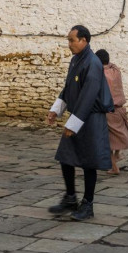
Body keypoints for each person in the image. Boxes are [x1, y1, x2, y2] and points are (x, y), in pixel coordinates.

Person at [46, 25, 113, 222]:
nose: (69, 45)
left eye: (71, 40)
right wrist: (56, 109)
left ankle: (88, 204)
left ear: (84, 40)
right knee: (66, 156)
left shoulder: (92, 63)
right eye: (68, 40)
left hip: (90, 118)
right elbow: (69, 88)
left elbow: (88, 96)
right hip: (78, 116)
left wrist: (72, 124)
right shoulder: (76, 60)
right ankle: (70, 198)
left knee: (88, 162)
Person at [96, 49, 128, 175]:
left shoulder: (100, 74)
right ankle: (117, 156)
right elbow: (111, 64)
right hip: (120, 109)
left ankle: (114, 167)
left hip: (108, 111)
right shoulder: (116, 71)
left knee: (108, 141)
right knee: (118, 136)